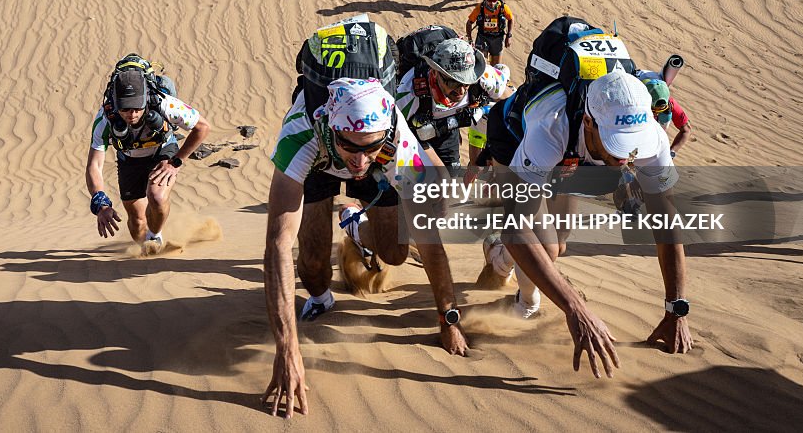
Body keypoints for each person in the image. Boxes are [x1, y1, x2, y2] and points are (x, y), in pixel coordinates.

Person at [263, 76, 469, 418]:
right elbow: (277, 248)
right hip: (320, 162)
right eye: (351, 146)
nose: (359, 160)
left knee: (396, 254)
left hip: (380, 161)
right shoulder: (300, 136)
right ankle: (320, 298)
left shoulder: (397, 145)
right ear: (332, 129)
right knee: (313, 268)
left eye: (369, 147)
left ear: (387, 134)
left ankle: (356, 226)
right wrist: (287, 349)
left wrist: (448, 319)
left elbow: (428, 238)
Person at [481, 66, 692, 370]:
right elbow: (516, 227)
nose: (627, 157)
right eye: (617, 141)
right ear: (589, 122)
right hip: (516, 137)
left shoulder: (651, 137)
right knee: (545, 246)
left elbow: (666, 221)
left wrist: (677, 310)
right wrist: (574, 308)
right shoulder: (551, 127)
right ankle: (523, 301)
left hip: (575, 159)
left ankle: (497, 254)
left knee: (559, 242)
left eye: (632, 143)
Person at [87, 59, 210, 253]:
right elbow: (94, 165)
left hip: (162, 151)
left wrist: (176, 162)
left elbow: (202, 127)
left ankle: (156, 237)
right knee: (136, 225)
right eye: (125, 109)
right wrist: (100, 203)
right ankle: (147, 242)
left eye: (137, 108)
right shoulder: (105, 118)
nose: (132, 114)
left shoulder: (163, 102)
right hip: (129, 160)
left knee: (157, 196)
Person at [395, 38, 489, 167]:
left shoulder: (482, 78)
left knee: (452, 178)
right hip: (413, 136)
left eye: (467, 82)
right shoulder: (407, 94)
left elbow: (512, 100)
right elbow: (394, 134)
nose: (461, 90)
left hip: (447, 132)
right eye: (453, 81)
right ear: (435, 73)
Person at [644, 80, 692, 157]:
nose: (656, 113)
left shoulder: (670, 103)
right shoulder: (634, 102)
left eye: (660, 110)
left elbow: (686, 131)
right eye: (653, 110)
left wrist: (671, 152)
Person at [466, 0, 514, 64]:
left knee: (496, 66)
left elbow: (511, 19)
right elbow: (469, 23)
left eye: (494, 0)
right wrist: (470, 39)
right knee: (481, 63)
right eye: (489, 0)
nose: (492, 3)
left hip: (497, 38)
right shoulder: (480, 8)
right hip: (482, 37)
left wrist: (509, 36)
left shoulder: (503, 7)